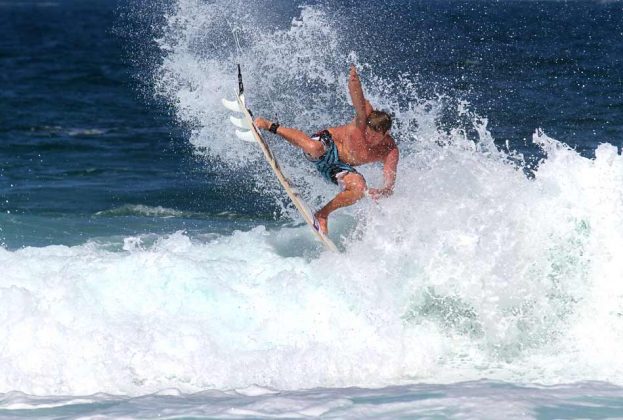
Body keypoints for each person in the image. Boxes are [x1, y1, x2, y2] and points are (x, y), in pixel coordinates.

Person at [254, 65, 399, 234]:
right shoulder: (364, 119)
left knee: (359, 188)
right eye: (368, 133)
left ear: (386, 133)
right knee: (314, 147)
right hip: (327, 145)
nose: (369, 138)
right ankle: (268, 125)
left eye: (375, 136)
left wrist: (383, 191)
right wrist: (354, 80)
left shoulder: (390, 150)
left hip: (338, 166)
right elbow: (358, 99)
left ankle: (322, 214)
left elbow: (390, 182)